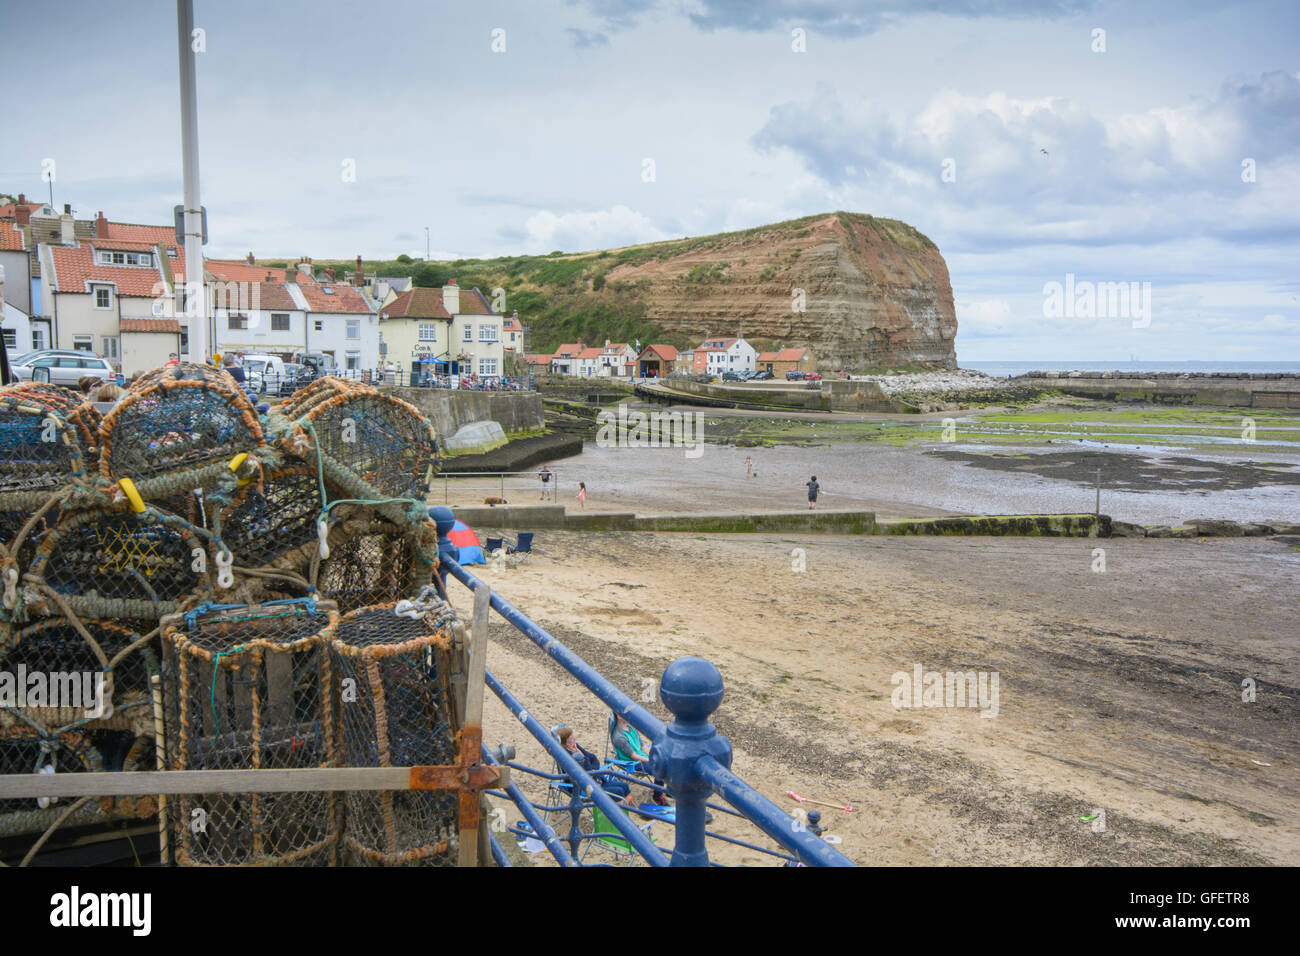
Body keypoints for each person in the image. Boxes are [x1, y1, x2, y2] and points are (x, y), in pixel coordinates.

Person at [557, 726, 630, 800]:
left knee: (624, 786)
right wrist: (582, 757)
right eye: (572, 738)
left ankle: (627, 810)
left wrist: (593, 769)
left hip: (596, 780)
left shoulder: (575, 746)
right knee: (619, 791)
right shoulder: (569, 757)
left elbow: (593, 758)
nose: (575, 739)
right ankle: (618, 810)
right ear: (566, 743)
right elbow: (587, 771)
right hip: (585, 788)